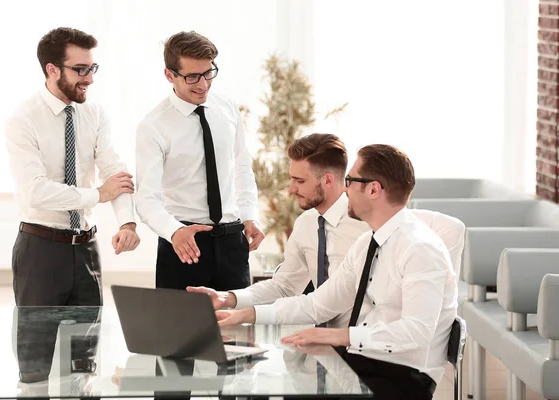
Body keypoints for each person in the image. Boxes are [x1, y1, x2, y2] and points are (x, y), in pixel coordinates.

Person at [215, 144, 459, 400]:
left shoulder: (420, 248)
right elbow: (318, 304)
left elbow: (416, 332)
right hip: (364, 362)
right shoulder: (367, 243)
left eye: (351, 181)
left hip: (404, 375)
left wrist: (339, 336)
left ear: (373, 189)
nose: (344, 188)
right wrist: (245, 314)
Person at [189, 135, 464, 330]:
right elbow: (285, 286)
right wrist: (230, 299)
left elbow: (446, 229)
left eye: (299, 180)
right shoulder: (307, 224)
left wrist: (442, 307)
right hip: (319, 332)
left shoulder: (372, 219)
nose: (290, 189)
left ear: (328, 180)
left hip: (367, 343)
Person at [6, 27, 140, 307]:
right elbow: (36, 191)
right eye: (80, 70)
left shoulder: (95, 114)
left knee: (86, 348)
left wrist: (127, 223)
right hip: (40, 251)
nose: (89, 79)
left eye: (92, 68)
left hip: (86, 250)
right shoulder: (24, 120)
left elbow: (115, 171)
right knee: (37, 348)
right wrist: (97, 195)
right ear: (52, 70)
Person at [136, 31, 264, 291]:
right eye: (192, 77)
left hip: (232, 244)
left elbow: (241, 166)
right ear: (169, 75)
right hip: (184, 245)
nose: (203, 84)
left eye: (208, 73)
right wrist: (173, 231)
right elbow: (146, 199)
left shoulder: (227, 108)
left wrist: (250, 215)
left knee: (238, 330)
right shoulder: (153, 126)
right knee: (180, 331)